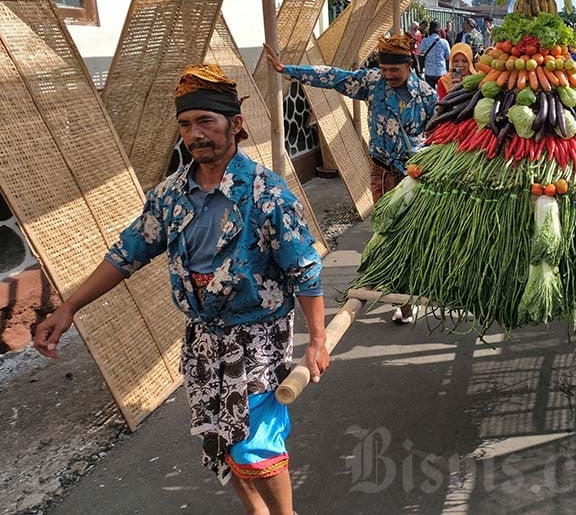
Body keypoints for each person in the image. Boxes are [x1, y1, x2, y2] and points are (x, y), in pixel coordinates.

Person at [33, 64, 327, 515]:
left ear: (236, 124)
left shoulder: (267, 194)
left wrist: (318, 341)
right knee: (218, 433)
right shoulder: (170, 196)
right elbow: (126, 253)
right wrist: (69, 306)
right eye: (186, 124)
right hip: (202, 339)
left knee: (256, 443)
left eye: (206, 121)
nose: (195, 134)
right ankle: (258, 512)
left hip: (258, 337)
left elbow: (305, 271)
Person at [266, 34, 436, 324]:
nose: (387, 76)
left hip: (413, 175)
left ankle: (409, 293)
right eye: (383, 70)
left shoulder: (427, 95)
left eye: (393, 71)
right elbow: (334, 76)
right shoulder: (372, 83)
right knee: (386, 231)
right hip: (381, 170)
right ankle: (399, 294)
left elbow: (438, 132)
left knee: (410, 233)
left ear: (409, 64)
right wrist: (289, 71)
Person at [418, 21, 451, 91]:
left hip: (429, 72)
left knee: (430, 94)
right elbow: (449, 57)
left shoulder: (425, 41)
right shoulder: (444, 42)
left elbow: (419, 52)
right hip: (441, 71)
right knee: (442, 94)